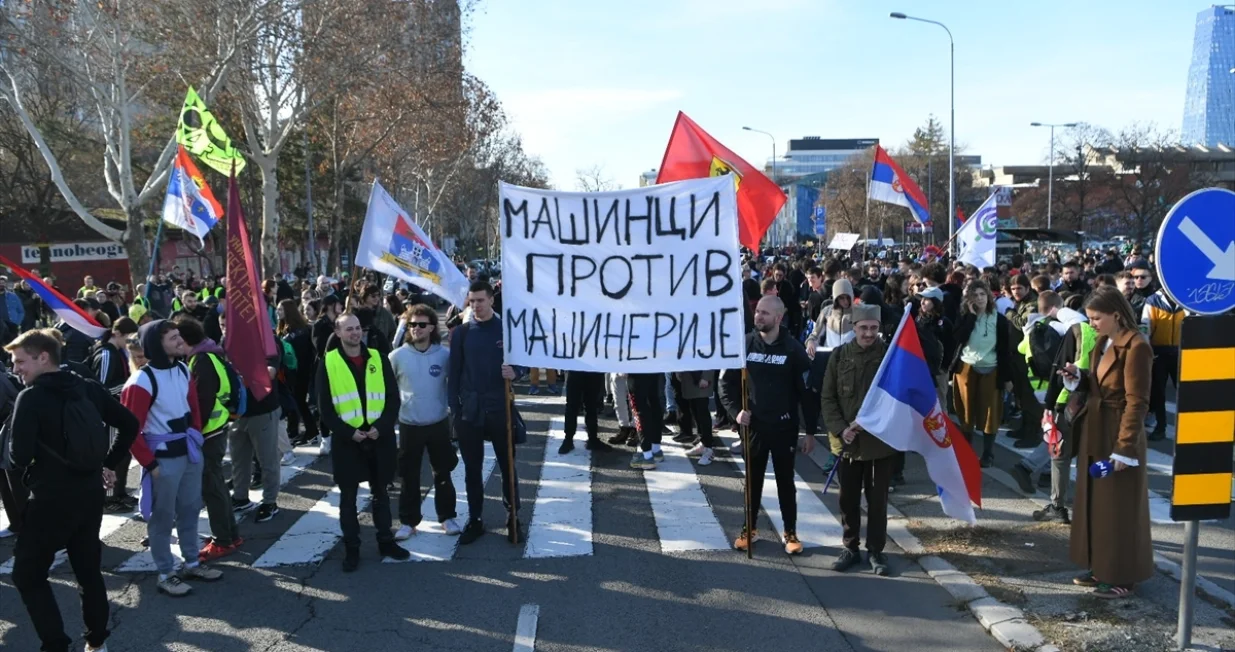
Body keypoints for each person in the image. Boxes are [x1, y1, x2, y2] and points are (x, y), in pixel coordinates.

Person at [5, 330, 140, 652]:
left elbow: (18, 458)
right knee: (88, 570)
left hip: (50, 499)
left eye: (21, 361)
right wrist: (108, 463)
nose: (16, 370)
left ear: (43, 357)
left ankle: (56, 644)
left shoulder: (31, 397)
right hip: (90, 493)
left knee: (27, 574)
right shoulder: (86, 386)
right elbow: (130, 423)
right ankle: (97, 642)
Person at [1061, 286, 1153, 599]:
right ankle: (1100, 566)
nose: (1092, 324)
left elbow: (1137, 402)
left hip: (1118, 432)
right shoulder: (1102, 341)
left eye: (1096, 318)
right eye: (1089, 318)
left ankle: (1122, 576)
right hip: (1095, 428)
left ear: (1116, 314)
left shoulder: (1137, 346)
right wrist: (1078, 376)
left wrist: (1124, 448)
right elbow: (1098, 382)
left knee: (1119, 507)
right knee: (1096, 505)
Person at [121, 320, 223, 597]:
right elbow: (130, 429)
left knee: (190, 510)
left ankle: (191, 562)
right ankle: (166, 573)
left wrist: (196, 439)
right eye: (174, 338)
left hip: (188, 453)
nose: (181, 341)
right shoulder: (141, 380)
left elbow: (193, 410)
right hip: (163, 460)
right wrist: (149, 464)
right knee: (163, 518)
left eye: (179, 336)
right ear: (157, 344)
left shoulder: (181, 369)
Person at [719, 296, 815, 554]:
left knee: (786, 482)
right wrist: (736, 413)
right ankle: (749, 528)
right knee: (753, 481)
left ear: (778, 318)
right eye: (757, 311)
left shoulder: (793, 349)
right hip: (755, 428)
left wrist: (810, 432)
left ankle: (790, 532)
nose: (758, 316)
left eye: (764, 313)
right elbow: (725, 384)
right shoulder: (745, 345)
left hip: (785, 428)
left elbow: (807, 393)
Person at [316, 312, 408, 569]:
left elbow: (392, 398)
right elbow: (325, 407)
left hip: (379, 438)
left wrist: (381, 426)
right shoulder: (329, 362)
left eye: (358, 329)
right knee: (349, 498)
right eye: (349, 329)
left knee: (381, 494)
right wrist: (348, 432)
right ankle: (352, 548)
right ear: (338, 333)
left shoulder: (378, 358)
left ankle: (386, 541)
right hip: (348, 441)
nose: (355, 333)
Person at [820, 304, 896, 575]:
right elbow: (828, 398)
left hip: (879, 445)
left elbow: (896, 401)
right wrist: (841, 429)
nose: (868, 333)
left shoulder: (889, 358)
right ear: (854, 328)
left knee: (877, 502)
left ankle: (876, 551)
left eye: (873, 328)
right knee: (848, 500)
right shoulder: (840, 356)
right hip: (848, 445)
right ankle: (850, 547)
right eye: (863, 328)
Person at [447, 281, 521, 545]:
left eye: (480, 300)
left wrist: (517, 372)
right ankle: (475, 519)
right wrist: (455, 410)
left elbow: (522, 361)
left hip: (500, 407)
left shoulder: (507, 330)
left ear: (491, 300)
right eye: (472, 301)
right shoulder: (462, 333)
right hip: (470, 411)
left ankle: (513, 516)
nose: (476, 305)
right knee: (472, 470)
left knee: (507, 466)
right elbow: (453, 375)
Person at [388, 304, 463, 541]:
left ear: (432, 327)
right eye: (412, 324)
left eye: (422, 324)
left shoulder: (444, 355)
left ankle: (447, 517)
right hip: (410, 424)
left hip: (438, 423)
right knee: (409, 476)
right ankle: (408, 521)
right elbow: (388, 392)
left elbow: (456, 385)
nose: (416, 329)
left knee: (442, 473)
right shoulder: (397, 356)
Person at [173, 316, 244, 563]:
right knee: (218, 486)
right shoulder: (209, 354)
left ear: (184, 340)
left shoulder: (200, 361)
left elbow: (200, 402)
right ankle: (231, 535)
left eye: (175, 339)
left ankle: (222, 540)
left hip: (209, 432)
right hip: (217, 428)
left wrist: (192, 433)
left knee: (212, 487)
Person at [222, 309, 283, 523]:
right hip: (237, 412)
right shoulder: (228, 342)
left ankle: (270, 501)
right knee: (239, 459)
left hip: (263, 409)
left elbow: (270, 372)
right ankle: (241, 497)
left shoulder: (269, 341)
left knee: (267, 460)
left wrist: (242, 371)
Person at [950, 281, 1015, 467]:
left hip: (991, 368)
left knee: (990, 413)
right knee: (966, 412)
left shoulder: (999, 320)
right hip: (966, 368)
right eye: (975, 295)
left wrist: (1007, 377)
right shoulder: (964, 316)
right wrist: (970, 317)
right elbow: (958, 338)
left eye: (982, 294)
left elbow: (1004, 350)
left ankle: (988, 454)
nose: (979, 299)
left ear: (989, 296)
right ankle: (966, 450)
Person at [90, 317, 140, 513]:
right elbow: (100, 387)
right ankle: (108, 498)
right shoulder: (106, 354)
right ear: (117, 333)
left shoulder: (117, 352)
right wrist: (128, 384)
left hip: (117, 409)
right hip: (107, 414)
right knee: (112, 456)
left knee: (123, 454)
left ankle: (119, 492)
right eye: (128, 337)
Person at [1140, 269, 1183, 441]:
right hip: (1159, 353)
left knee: (1185, 392)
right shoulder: (1153, 301)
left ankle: (1186, 426)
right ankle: (1161, 426)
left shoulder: (1186, 300)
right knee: (1159, 393)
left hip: (1181, 352)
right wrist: (1146, 350)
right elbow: (1145, 328)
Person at [277, 299, 318, 447]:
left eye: (281, 310)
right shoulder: (288, 329)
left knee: (299, 403)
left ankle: (310, 431)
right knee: (296, 402)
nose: (278, 312)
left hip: (300, 372)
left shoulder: (299, 331)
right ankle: (296, 431)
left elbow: (303, 355)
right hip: (291, 373)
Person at [560, 370, 615, 454]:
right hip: (578, 370)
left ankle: (592, 439)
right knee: (573, 406)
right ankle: (568, 439)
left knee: (591, 405)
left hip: (593, 370)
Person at [676, 369, 718, 464]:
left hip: (701, 375)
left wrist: (706, 377)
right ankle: (703, 443)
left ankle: (708, 447)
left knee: (702, 412)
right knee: (695, 411)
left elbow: (710, 357)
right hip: (688, 377)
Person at [805, 279, 855, 357]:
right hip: (830, 356)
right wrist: (811, 341)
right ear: (836, 297)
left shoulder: (859, 312)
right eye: (842, 298)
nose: (846, 301)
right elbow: (815, 334)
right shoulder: (827, 311)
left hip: (851, 357)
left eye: (848, 297)